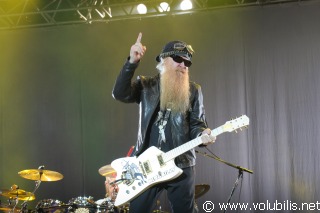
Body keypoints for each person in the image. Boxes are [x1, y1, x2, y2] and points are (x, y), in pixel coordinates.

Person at [112, 32, 216, 213]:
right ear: (164, 59)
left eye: (187, 62)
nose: (183, 65)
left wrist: (202, 133)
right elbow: (120, 93)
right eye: (178, 59)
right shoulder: (146, 85)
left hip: (181, 164)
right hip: (146, 166)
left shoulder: (193, 90)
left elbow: (196, 123)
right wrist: (131, 63)